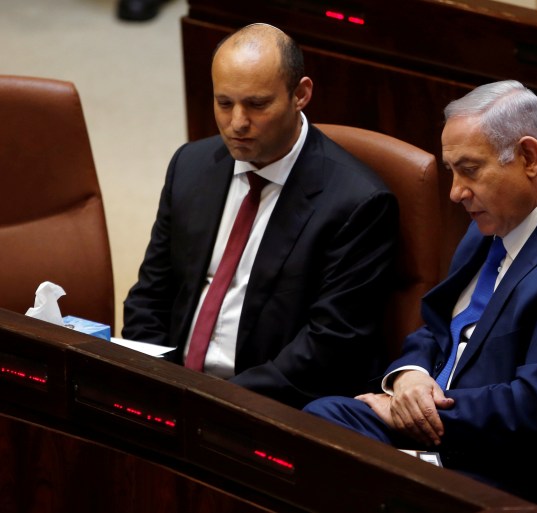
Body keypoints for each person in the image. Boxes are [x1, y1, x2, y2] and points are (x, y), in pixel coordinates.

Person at [304, 80, 537, 513]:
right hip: (451, 438)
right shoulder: (493, 225)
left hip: (516, 474)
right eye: (451, 171)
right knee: (319, 424)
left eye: (470, 170)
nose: (456, 191)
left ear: (528, 157)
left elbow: (533, 411)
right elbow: (438, 325)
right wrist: (410, 377)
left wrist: (408, 412)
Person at [122, 24, 399, 408]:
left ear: (300, 94)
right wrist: (149, 377)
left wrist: (215, 400)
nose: (237, 123)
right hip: (174, 386)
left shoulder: (357, 203)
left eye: (256, 104)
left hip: (270, 406)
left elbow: (329, 346)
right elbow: (150, 296)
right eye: (224, 103)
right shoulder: (190, 165)